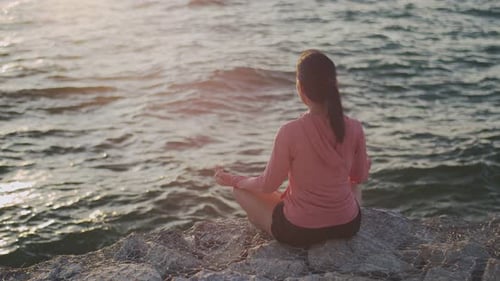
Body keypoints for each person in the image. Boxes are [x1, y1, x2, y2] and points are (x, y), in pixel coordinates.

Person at [214, 50, 370, 248]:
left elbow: (267, 185)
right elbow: (359, 177)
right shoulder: (355, 127)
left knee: (240, 191)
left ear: (301, 89)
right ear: (334, 86)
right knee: (353, 185)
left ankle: (264, 226)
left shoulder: (290, 132)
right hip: (347, 226)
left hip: (299, 231)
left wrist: (233, 179)